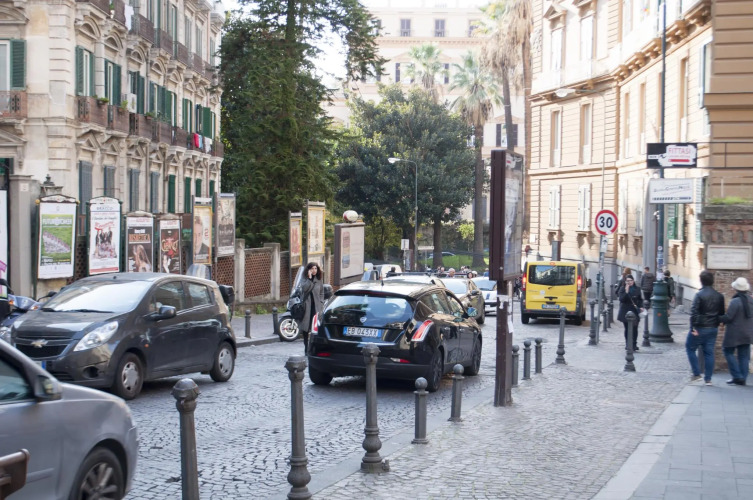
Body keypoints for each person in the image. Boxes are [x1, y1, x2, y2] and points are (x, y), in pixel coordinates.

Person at [687, 270, 725, 385]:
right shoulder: (719, 296)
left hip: (700, 327)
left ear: (701, 281)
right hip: (712, 328)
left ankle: (696, 373)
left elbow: (694, 312)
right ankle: (708, 379)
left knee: (690, 348)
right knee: (709, 353)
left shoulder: (699, 295)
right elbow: (721, 313)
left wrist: (692, 328)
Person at [719, 277, 753, 386]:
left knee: (727, 351)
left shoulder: (735, 301)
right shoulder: (751, 300)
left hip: (734, 333)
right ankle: (743, 378)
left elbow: (729, 317)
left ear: (736, 289)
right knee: (744, 356)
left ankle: (737, 376)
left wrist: (719, 318)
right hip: (748, 332)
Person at [299, 262, 325, 355]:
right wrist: (309, 278)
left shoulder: (319, 279)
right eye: (312, 268)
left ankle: (313, 346)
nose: (314, 270)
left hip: (316, 306)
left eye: (315, 268)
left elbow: (322, 292)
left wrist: (321, 302)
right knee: (306, 328)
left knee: (315, 328)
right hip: (307, 306)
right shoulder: (304, 278)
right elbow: (304, 289)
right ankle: (306, 347)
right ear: (308, 270)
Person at [618, 275, 643, 351]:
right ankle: (628, 344)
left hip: (634, 310)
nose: (629, 282)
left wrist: (641, 306)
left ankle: (634, 344)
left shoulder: (637, 289)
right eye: (627, 281)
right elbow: (621, 299)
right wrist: (626, 291)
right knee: (627, 328)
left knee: (635, 328)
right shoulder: (622, 289)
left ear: (633, 281)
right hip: (625, 311)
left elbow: (640, 299)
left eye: (630, 280)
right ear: (625, 282)